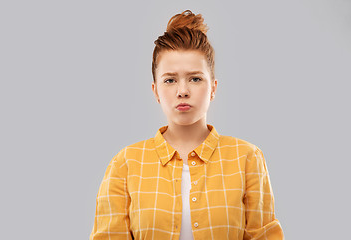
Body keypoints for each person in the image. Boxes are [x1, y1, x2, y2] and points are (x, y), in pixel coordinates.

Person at [90, 9, 284, 240]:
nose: (182, 91)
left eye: (195, 78)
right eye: (170, 80)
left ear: (212, 87)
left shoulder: (247, 159)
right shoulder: (125, 164)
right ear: (156, 91)